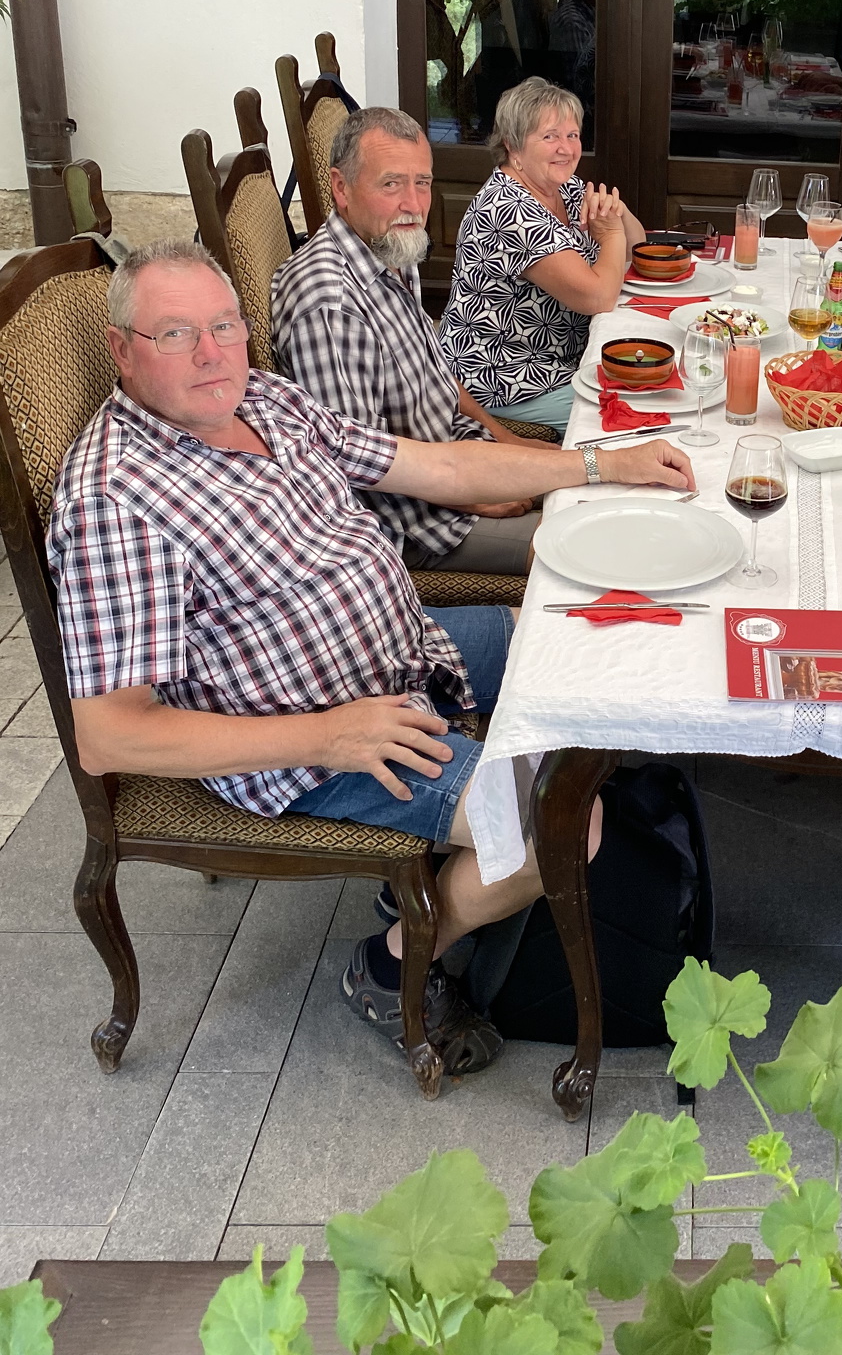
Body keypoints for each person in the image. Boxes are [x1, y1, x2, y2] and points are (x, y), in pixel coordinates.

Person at [53, 240, 695, 1071]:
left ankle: (449, 869)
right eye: (176, 334)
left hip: (408, 647)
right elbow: (110, 735)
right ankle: (394, 966)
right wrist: (327, 736)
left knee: (597, 635)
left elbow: (437, 465)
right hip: (310, 738)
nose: (212, 353)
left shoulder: (265, 401)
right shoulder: (115, 500)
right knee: (561, 823)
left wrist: (603, 463)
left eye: (225, 325)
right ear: (122, 350)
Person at [271, 106, 542, 578]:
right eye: (391, 184)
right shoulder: (330, 306)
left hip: (458, 458)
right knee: (583, 544)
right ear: (341, 188)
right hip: (417, 523)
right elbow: (355, 462)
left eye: (422, 183)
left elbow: (439, 380)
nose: (413, 205)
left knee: (601, 488)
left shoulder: (391, 249)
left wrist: (508, 440)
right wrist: (473, 496)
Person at [440, 77, 646, 430]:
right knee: (624, 419)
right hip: (504, 375)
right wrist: (611, 233)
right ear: (513, 146)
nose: (566, 148)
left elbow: (637, 250)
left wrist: (619, 211)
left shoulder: (563, 188)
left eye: (572, 135)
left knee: (652, 383)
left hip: (561, 359)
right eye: (550, 136)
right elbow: (598, 297)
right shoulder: (509, 210)